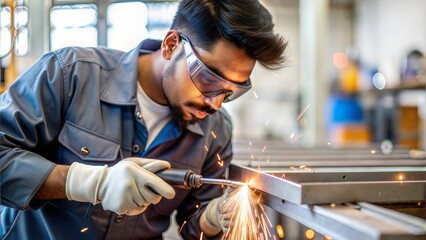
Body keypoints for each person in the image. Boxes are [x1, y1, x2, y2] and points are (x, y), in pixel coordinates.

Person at [0, 0, 287, 239]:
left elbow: (192, 224)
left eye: (230, 92)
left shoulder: (217, 128)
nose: (214, 103)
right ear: (171, 45)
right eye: (208, 80)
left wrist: (211, 219)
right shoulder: (69, 74)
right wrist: (86, 182)